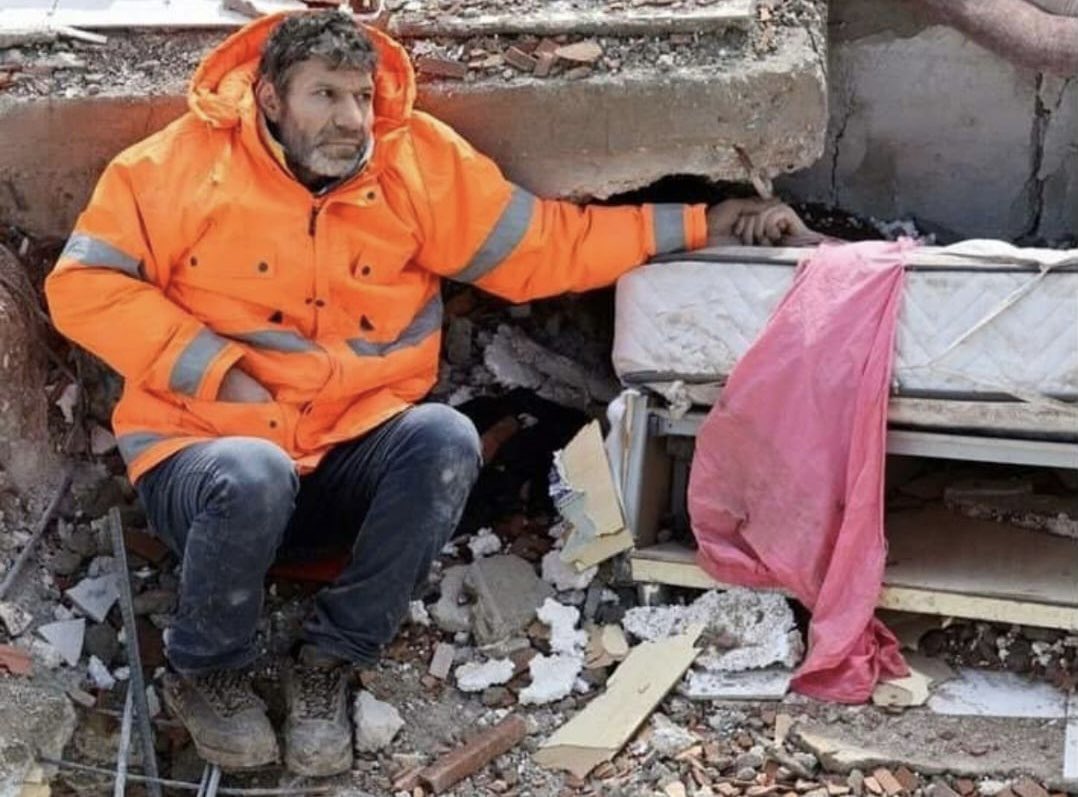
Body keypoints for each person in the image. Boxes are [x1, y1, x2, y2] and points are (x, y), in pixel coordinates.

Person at [45, 9, 816, 776]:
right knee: (253, 471)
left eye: (361, 96)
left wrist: (702, 222)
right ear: (270, 99)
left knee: (446, 439)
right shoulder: (173, 167)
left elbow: (546, 247)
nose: (352, 119)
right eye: (325, 97)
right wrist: (212, 366)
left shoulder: (415, 166)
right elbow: (81, 287)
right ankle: (207, 671)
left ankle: (330, 661)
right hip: (210, 469)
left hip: (344, 461)